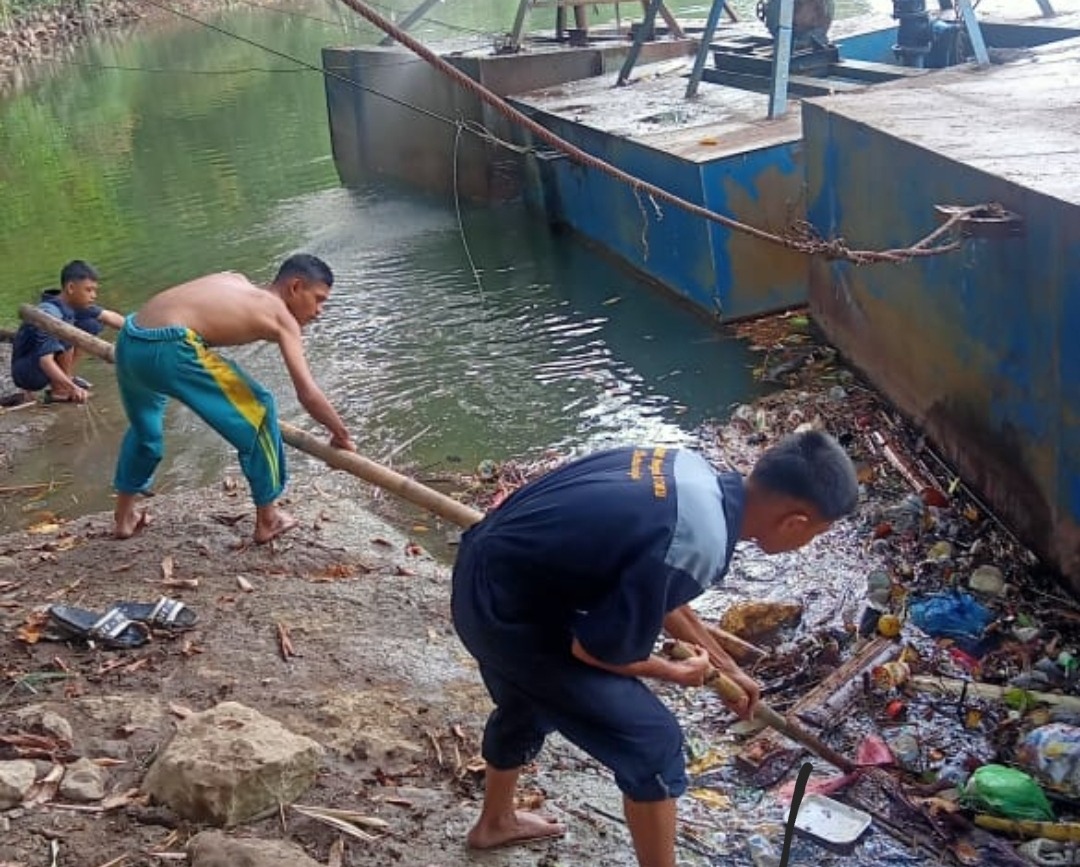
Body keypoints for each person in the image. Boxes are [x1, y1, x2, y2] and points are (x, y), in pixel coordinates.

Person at [450, 431, 859, 866]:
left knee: (528, 700)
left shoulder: (690, 471)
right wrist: (676, 672)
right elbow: (599, 652)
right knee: (654, 744)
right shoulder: (698, 542)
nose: (809, 541)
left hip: (486, 572)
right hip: (509, 615)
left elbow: (657, 589)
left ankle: (495, 823)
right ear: (794, 522)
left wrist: (727, 668)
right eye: (818, 532)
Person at [111, 254, 356, 543]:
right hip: (171, 348)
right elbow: (307, 393)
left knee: (145, 432)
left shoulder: (234, 278)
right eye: (318, 299)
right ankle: (269, 518)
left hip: (130, 340)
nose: (320, 311)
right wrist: (340, 434)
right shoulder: (282, 317)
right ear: (295, 286)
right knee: (260, 412)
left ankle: (124, 516)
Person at [11, 260, 125, 403]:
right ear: (71, 288)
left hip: (40, 363)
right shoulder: (50, 315)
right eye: (89, 290)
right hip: (27, 373)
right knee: (67, 334)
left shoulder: (73, 304)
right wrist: (72, 388)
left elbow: (108, 316)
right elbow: (45, 361)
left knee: (91, 324)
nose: (94, 295)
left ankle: (65, 377)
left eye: (95, 290)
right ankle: (60, 390)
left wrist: (142, 333)